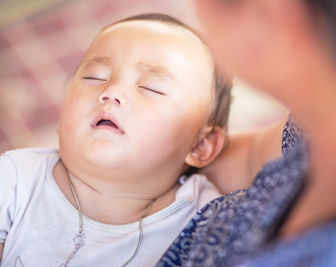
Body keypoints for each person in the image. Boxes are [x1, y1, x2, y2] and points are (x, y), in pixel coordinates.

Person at [156, 0, 336, 266]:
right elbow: (240, 153)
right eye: (99, 76)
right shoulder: (319, 127)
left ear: (271, 13)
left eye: (152, 88)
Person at [0, 13, 233, 266]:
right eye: (95, 77)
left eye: (151, 87)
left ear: (200, 145)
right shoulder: (15, 180)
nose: (111, 92)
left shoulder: (205, 217)